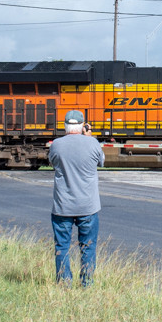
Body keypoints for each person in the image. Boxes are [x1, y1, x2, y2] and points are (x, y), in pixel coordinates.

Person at [47, 110, 104, 287]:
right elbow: (101, 162)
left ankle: (64, 283)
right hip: (88, 206)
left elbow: (52, 162)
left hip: (63, 206)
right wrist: (88, 137)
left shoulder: (56, 145)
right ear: (82, 126)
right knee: (88, 246)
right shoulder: (93, 143)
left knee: (61, 246)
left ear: (65, 126)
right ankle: (87, 283)